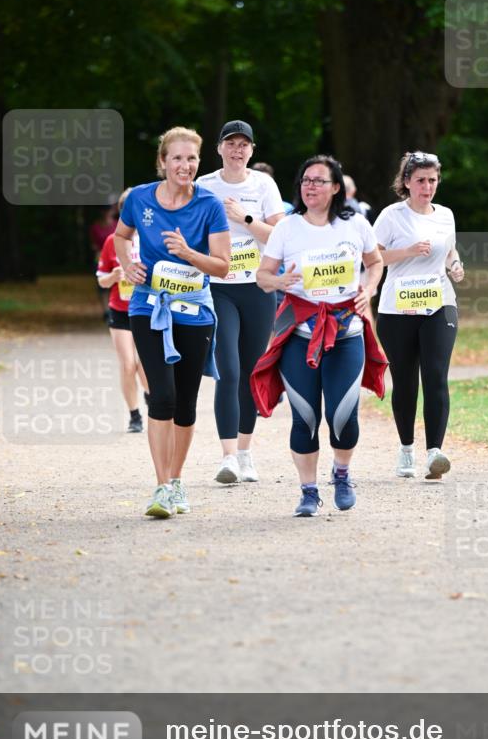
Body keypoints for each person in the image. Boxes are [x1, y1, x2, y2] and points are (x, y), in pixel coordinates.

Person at [253, 154, 386, 517]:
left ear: (336, 188)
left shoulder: (355, 223)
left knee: (344, 416)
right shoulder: (287, 227)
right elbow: (262, 276)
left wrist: (368, 289)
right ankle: (308, 492)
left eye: (318, 181)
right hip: (300, 331)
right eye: (305, 181)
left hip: (346, 330)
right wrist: (278, 281)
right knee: (305, 417)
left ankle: (341, 474)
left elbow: (375, 263)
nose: (310, 186)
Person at [114, 126, 231, 518]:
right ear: (162, 162)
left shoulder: (210, 205)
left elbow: (223, 266)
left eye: (192, 158)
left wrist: (187, 252)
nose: (185, 165)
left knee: (185, 401)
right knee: (161, 396)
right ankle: (162, 486)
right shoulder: (140, 198)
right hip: (149, 306)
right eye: (177, 158)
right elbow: (120, 236)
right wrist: (129, 265)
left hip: (195, 309)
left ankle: (177, 480)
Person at [197, 120, 285, 484]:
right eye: (230, 143)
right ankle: (228, 456)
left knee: (250, 373)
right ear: (219, 148)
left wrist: (245, 218)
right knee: (228, 371)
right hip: (219, 287)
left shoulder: (263, 185)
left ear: (252, 150)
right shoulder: (203, 185)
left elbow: (280, 234)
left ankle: (246, 453)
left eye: (244, 144)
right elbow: (192, 230)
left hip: (258, 288)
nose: (237, 149)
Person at [373, 151, 464, 480]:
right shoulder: (391, 216)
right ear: (407, 182)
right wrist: (408, 252)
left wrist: (455, 266)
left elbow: (450, 251)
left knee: (437, 376)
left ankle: (434, 453)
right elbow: (372, 257)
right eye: (421, 180)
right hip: (398, 307)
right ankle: (407, 450)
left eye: (433, 180)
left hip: (439, 301)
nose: (427, 187)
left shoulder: (446, 215)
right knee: (406, 381)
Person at [96, 188, 149, 433]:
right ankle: (134, 415)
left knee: (146, 364)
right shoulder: (112, 241)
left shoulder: (153, 237)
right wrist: (114, 276)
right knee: (128, 364)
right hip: (120, 310)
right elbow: (101, 281)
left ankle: (152, 398)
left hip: (148, 309)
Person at [89, 205, 118, 321]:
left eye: (109, 210)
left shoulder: (117, 225)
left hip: (116, 257)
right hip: (101, 257)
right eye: (105, 210)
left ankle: (114, 308)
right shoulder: (95, 227)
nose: (107, 212)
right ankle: (106, 311)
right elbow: (93, 244)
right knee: (102, 284)